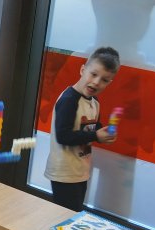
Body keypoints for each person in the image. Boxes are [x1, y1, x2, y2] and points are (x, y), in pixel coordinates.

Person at [44, 47, 120, 212]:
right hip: (64, 172)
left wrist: (103, 132)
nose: (96, 82)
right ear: (82, 70)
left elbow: (90, 127)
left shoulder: (94, 102)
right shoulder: (69, 100)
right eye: (93, 74)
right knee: (65, 216)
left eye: (104, 80)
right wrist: (96, 136)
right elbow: (63, 136)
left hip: (80, 170)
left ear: (109, 83)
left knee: (73, 213)